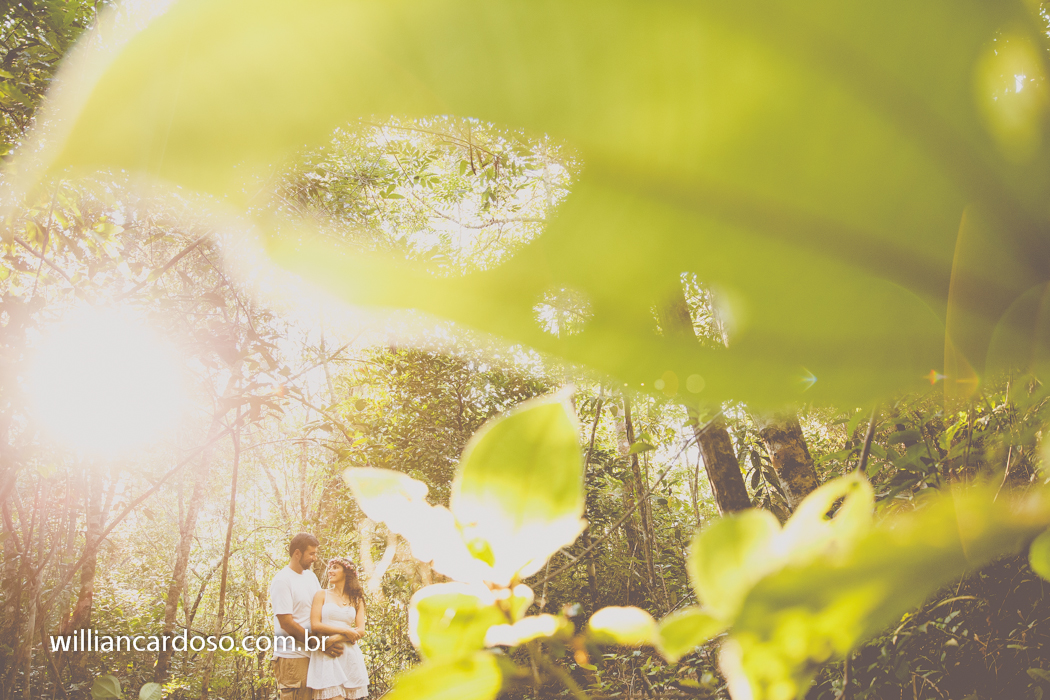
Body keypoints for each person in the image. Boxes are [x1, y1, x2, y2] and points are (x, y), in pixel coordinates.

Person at [270, 533, 347, 700]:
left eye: (315, 553)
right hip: (293, 658)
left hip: (314, 655)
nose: (315, 558)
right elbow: (286, 623)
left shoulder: (311, 577)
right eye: (311, 554)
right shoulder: (282, 580)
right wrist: (319, 644)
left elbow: (321, 610)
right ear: (297, 553)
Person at [306, 556, 369, 699]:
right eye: (330, 568)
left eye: (335, 568)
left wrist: (338, 637)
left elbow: (361, 630)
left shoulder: (357, 599)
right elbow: (315, 625)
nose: (330, 571)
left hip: (348, 654)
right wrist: (345, 630)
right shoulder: (322, 594)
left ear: (347, 572)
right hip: (328, 654)